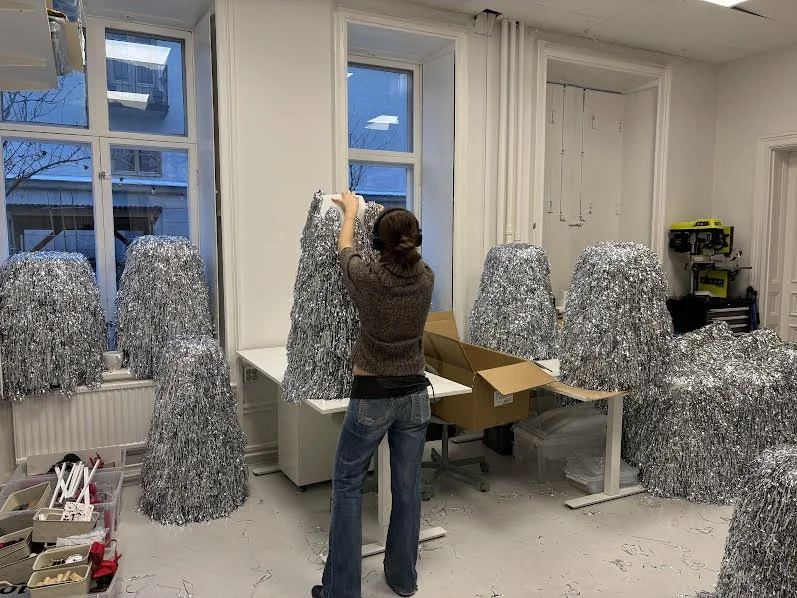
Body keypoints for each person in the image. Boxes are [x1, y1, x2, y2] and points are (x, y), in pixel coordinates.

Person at [312, 190, 435, 598]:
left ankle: (341, 591)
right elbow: (397, 257)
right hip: (415, 395)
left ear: (378, 243)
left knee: (348, 486)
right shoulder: (427, 278)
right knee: (407, 488)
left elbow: (345, 249)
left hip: (373, 395)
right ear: (417, 240)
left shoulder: (369, 279)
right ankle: (403, 579)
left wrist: (351, 211)